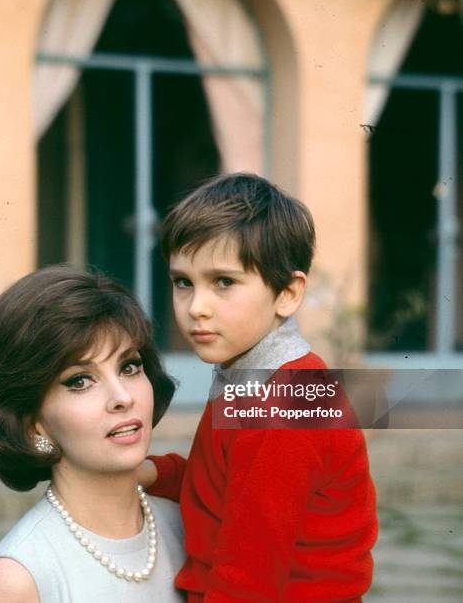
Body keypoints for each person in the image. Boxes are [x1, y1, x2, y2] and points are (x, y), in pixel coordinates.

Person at [142, 173, 378, 601]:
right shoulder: (260, 378)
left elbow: (247, 581)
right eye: (183, 282)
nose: (197, 307)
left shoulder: (282, 409)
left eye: (224, 282)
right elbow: (220, 484)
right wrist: (153, 472)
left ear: (287, 294)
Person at [0, 265, 185, 602]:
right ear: (32, 423)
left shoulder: (185, 523)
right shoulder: (18, 580)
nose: (123, 397)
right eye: (80, 381)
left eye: (129, 366)